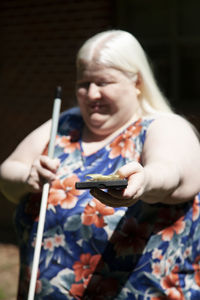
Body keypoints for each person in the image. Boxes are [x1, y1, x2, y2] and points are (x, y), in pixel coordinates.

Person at [0, 29, 200, 300]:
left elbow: (172, 174)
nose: (91, 94)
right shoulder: (64, 125)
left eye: (104, 82)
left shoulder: (165, 127)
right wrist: (28, 177)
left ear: (137, 82)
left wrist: (145, 180)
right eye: (84, 83)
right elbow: (7, 176)